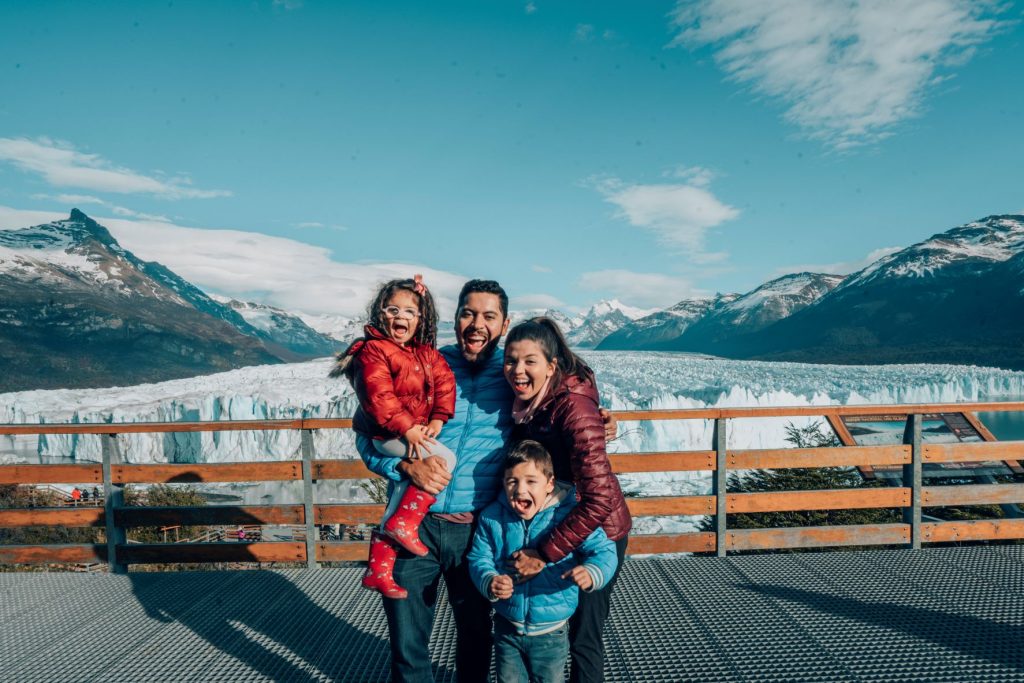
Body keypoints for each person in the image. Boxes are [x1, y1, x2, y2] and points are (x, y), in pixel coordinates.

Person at [358, 280, 617, 683]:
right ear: (455, 318)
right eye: (468, 313)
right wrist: (404, 469)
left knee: (477, 639)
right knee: (407, 641)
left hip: (476, 530)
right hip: (416, 524)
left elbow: (564, 399)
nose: (477, 324)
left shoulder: (514, 375)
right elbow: (367, 433)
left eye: (489, 316)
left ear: (504, 323)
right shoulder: (425, 365)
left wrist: (598, 419)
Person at [504, 317, 632, 683]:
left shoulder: (572, 408)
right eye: (511, 360)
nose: (518, 370)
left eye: (530, 361)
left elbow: (599, 500)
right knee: (552, 626)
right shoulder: (531, 403)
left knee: (583, 636)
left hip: (597, 535)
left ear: (552, 365)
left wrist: (543, 553)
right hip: (558, 528)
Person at [333, 275, 457, 599]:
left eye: (410, 312)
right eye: (393, 309)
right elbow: (378, 398)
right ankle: (402, 526)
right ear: (380, 313)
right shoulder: (374, 351)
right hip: (386, 432)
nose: (400, 317)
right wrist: (408, 428)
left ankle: (379, 569)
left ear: (421, 319)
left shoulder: (425, 354)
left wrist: (439, 418)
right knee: (445, 459)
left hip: (407, 430)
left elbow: (445, 384)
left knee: (404, 490)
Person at [468, 440, 618, 683]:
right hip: (507, 626)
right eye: (512, 481)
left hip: (552, 632)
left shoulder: (568, 515)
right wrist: (489, 580)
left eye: (531, 481)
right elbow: (479, 557)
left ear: (549, 484)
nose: (519, 489)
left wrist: (592, 572)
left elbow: (604, 550)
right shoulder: (493, 517)